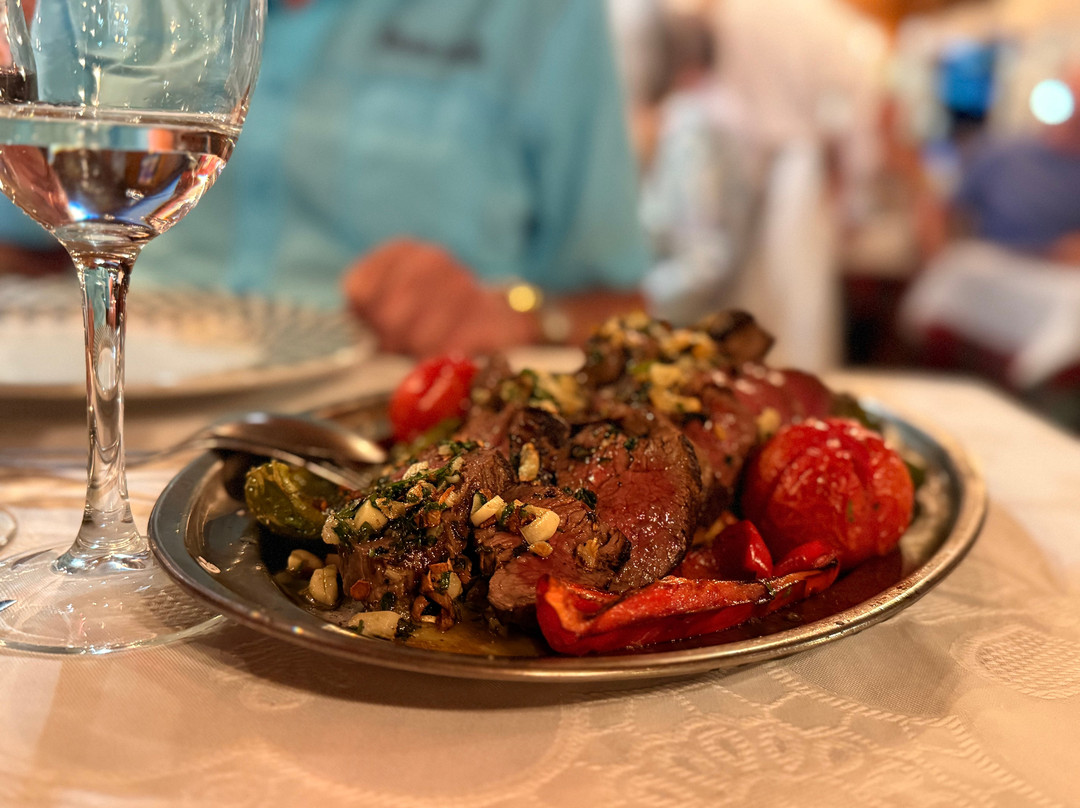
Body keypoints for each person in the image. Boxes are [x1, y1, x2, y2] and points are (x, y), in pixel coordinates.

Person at [0, 0, 651, 356]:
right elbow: (32, 232)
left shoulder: (544, 18)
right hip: (112, 395)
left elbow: (619, 307)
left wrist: (511, 314)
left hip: (368, 428)